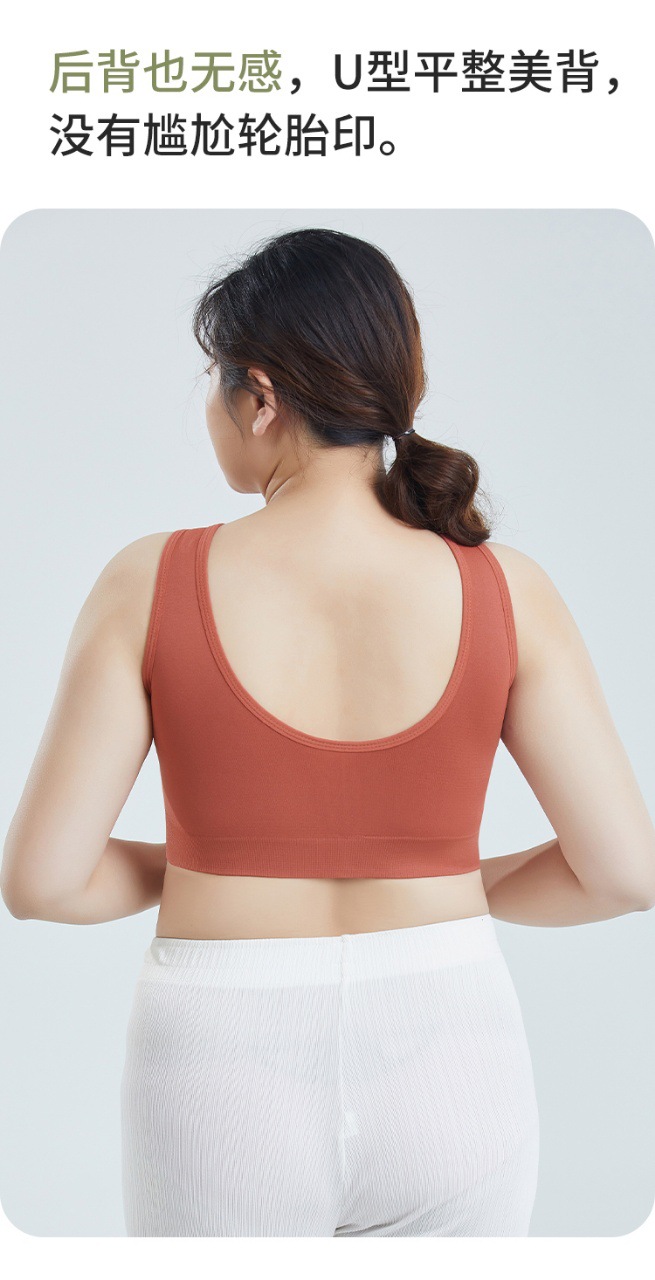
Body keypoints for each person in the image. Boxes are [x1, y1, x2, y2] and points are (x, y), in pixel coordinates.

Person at [2, 227, 654, 1239]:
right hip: (453, 1044)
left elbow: (43, 883)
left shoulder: (149, 581)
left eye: (214, 382)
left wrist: (217, 867)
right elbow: (621, 874)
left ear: (258, 395)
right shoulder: (506, 589)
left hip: (219, 1056)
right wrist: (435, 884)